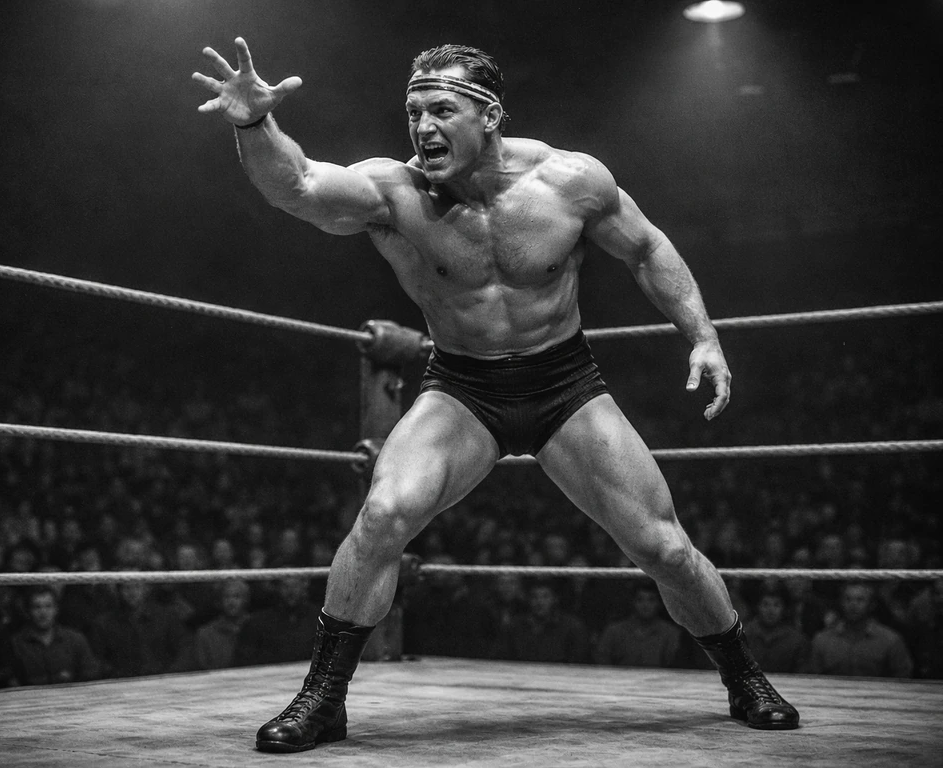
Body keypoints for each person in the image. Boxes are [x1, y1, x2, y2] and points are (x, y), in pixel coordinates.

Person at [193, 37, 798, 752]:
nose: (422, 128)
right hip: (463, 385)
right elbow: (297, 186)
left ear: (490, 115)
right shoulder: (395, 191)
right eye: (413, 111)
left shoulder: (571, 180)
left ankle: (744, 677)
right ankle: (322, 700)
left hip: (564, 381)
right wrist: (252, 125)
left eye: (441, 109)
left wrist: (702, 334)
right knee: (384, 513)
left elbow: (646, 248)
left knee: (663, 548)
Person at [809, 582, 913, 678]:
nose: (853, 605)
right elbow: (812, 678)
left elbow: (903, 678)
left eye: (860, 600)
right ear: (840, 603)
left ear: (872, 605)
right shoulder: (822, 640)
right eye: (848, 599)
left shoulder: (890, 640)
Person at [11, 587, 100, 686]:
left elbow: (91, 673)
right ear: (28, 611)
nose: (43, 612)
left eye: (48, 606)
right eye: (37, 607)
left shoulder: (75, 639)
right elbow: (13, 682)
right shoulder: (16, 644)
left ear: (56, 609)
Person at [593, 582, 680, 668]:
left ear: (660, 603)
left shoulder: (670, 633)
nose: (645, 605)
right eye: (640, 599)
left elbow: (673, 665)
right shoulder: (614, 630)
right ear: (632, 602)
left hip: (659, 680)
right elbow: (601, 660)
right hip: (617, 680)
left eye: (651, 600)